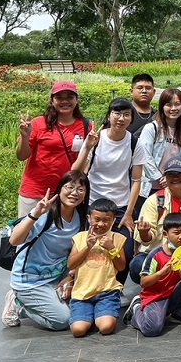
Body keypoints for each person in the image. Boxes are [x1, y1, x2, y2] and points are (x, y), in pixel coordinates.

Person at [71, 98, 149, 280]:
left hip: (120, 206)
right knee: (88, 248)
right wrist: (87, 147)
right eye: (117, 113)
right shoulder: (96, 139)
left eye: (126, 114)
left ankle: (116, 287)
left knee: (125, 250)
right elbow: (76, 171)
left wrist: (130, 213)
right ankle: (86, 286)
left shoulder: (135, 143)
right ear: (109, 116)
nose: (121, 118)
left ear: (131, 119)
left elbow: (136, 179)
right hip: (92, 204)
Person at [2, 170, 90, 331]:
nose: (74, 193)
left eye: (80, 189)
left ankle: (50, 297)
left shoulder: (81, 217)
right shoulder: (46, 214)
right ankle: (18, 303)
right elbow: (14, 240)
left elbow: (76, 251)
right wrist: (35, 214)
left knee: (82, 307)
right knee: (63, 320)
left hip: (57, 274)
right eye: (69, 187)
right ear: (60, 190)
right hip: (30, 281)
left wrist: (71, 275)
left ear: (85, 194)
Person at [16, 81, 92, 218]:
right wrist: (25, 137)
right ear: (51, 100)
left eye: (69, 97)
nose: (65, 101)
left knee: (63, 236)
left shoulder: (87, 125)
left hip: (68, 193)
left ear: (76, 100)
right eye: (59, 97)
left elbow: (87, 161)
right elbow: (21, 156)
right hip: (35, 191)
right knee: (27, 234)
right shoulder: (38, 123)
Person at [131, 157, 181, 284]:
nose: (175, 177)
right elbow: (145, 241)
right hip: (156, 254)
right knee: (137, 265)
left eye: (180, 174)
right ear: (165, 177)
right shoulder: (153, 200)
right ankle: (155, 291)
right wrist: (144, 232)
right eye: (171, 174)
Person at [127, 212, 181, 336]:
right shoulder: (155, 255)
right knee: (151, 329)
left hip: (173, 293)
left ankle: (179, 315)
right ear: (165, 234)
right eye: (177, 233)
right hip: (155, 296)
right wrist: (161, 273)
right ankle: (136, 308)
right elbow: (143, 283)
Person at [66, 198, 126, 337]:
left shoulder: (117, 238)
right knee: (78, 330)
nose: (101, 224)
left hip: (107, 292)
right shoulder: (80, 237)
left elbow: (121, 266)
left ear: (113, 220)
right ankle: (90, 315)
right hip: (82, 294)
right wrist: (87, 247)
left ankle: (100, 314)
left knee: (106, 327)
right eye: (97, 219)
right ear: (89, 218)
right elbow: (71, 264)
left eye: (106, 220)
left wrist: (112, 249)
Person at [138, 87, 181, 211]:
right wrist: (159, 177)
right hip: (150, 187)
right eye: (169, 105)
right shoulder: (151, 128)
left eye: (177, 104)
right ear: (162, 107)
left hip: (173, 185)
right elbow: (144, 155)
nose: (173, 108)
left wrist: (171, 178)